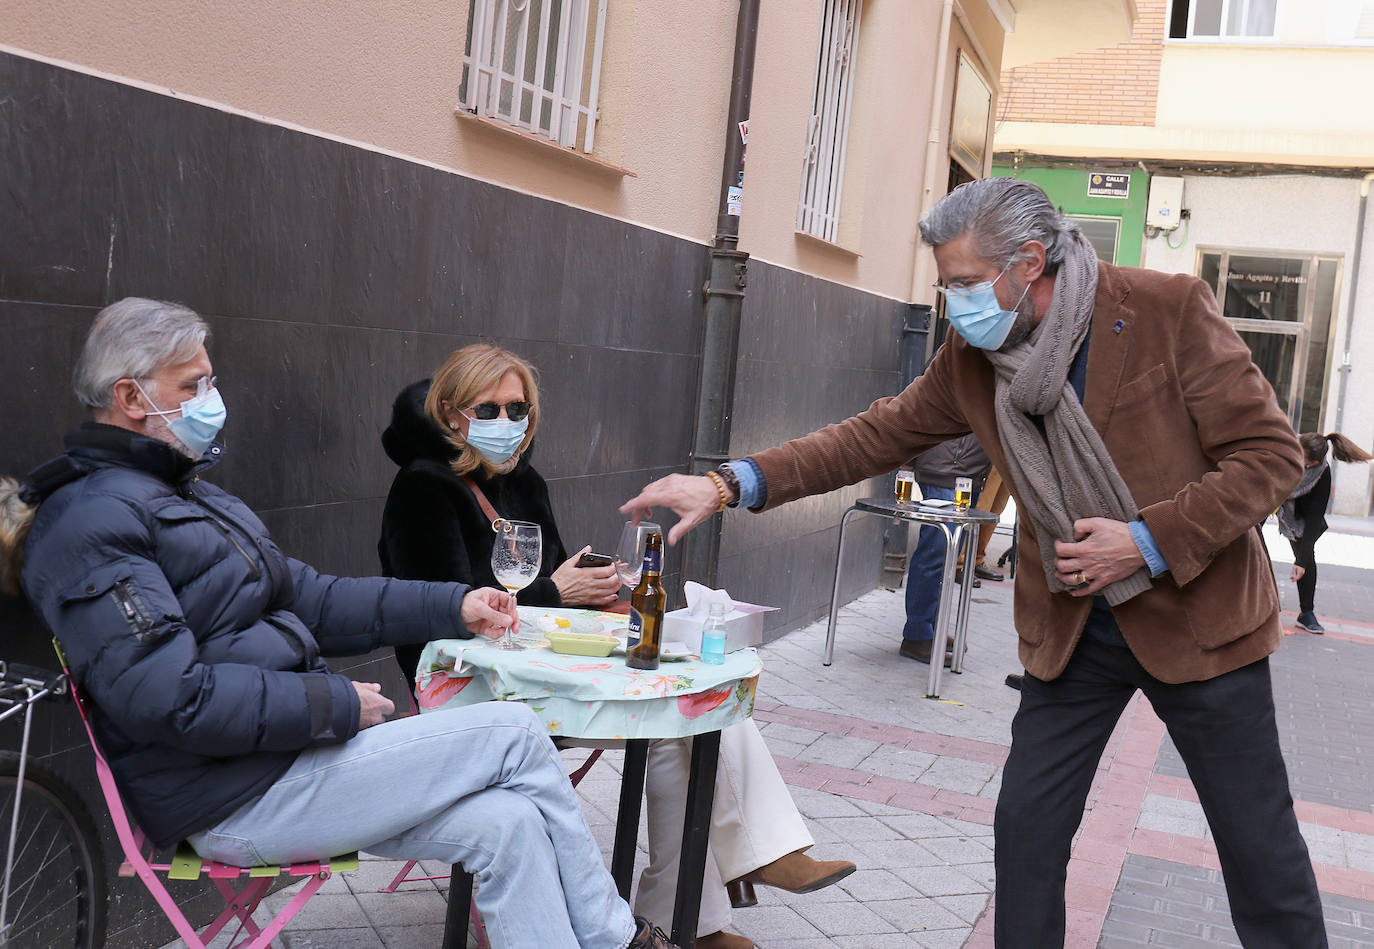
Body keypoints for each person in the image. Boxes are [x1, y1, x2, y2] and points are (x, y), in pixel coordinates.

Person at [621, 178, 1330, 948]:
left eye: (963, 283)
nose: (954, 302)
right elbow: (871, 436)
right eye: (945, 286)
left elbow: (1270, 457)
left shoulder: (1166, 309)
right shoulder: (973, 358)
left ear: (1029, 262)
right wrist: (730, 481)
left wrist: (1146, 539)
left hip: (1201, 623)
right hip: (1074, 625)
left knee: (1258, 850)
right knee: (1025, 837)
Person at [5, 298, 680, 949]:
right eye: (194, 383)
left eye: (211, 379)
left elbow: (315, 598)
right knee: (516, 732)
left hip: (291, 763)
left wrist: (455, 603)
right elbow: (168, 697)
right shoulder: (92, 524)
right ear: (130, 397)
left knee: (509, 824)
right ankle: (616, 937)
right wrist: (329, 702)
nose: (213, 398)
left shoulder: (189, 496)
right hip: (229, 797)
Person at [378, 345, 855, 949]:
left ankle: (705, 913)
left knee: (694, 706)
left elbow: (548, 584)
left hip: (545, 673)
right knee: (684, 718)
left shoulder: (521, 481)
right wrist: (557, 590)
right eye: (489, 409)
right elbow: (441, 618)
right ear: (451, 413)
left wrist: (588, 585)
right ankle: (745, 872)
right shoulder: (422, 489)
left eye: (518, 407)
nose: (507, 422)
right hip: (473, 690)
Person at [900, 433, 990, 664]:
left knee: (947, 554)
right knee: (937, 552)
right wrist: (907, 460)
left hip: (969, 469)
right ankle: (917, 634)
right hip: (946, 466)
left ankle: (929, 628)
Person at [1277, 431, 1373, 633]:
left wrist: (1301, 561)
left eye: (1310, 463)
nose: (1306, 466)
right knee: (1249, 542)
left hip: (1299, 519)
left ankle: (1306, 613)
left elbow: (1314, 518)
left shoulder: (1321, 473)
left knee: (1306, 558)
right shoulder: (1282, 454)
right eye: (1304, 460)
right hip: (1267, 499)